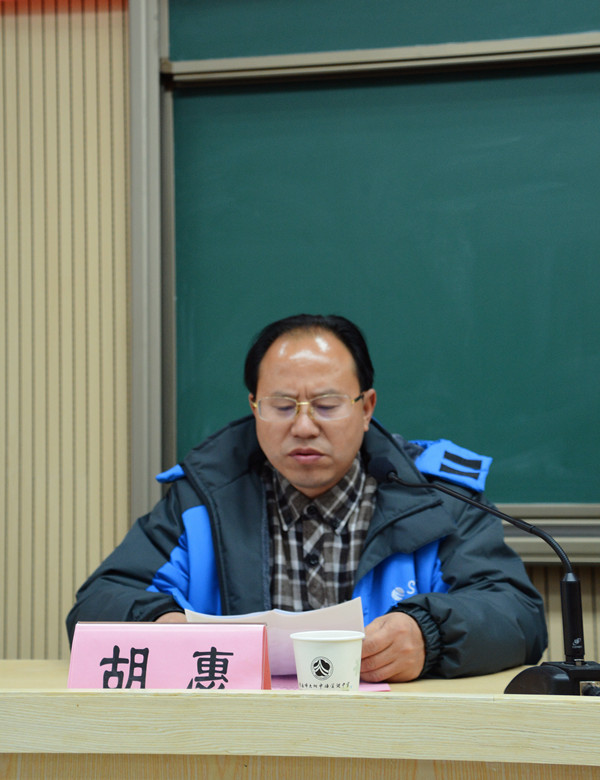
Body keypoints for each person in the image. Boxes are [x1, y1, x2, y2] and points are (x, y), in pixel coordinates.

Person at [66, 314, 547, 681]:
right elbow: (98, 604)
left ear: (366, 408)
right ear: (254, 407)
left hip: (393, 738)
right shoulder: (203, 497)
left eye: (326, 404)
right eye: (281, 405)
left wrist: (430, 635)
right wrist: (160, 626)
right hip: (241, 742)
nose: (303, 426)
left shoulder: (435, 496)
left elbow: (518, 616)